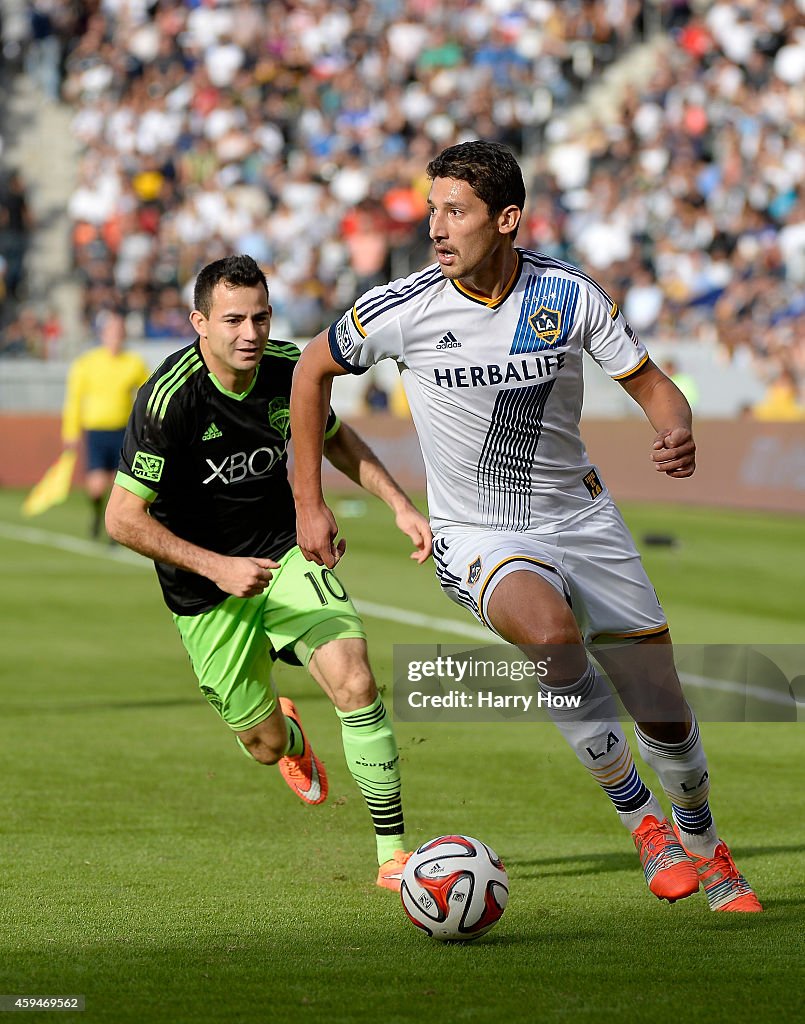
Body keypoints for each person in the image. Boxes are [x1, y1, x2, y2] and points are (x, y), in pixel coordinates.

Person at [290, 141, 761, 913]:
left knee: (664, 711)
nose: (437, 228)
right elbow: (311, 370)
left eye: (456, 212)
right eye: (433, 209)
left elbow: (650, 384)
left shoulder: (566, 294)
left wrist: (673, 428)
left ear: (506, 219)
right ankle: (641, 821)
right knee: (549, 636)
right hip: (478, 532)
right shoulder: (400, 306)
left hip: (582, 518)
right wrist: (308, 501)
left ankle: (706, 845)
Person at [105, 255, 432, 890]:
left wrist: (398, 504)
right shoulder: (167, 400)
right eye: (232, 320)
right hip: (203, 587)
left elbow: (336, 437)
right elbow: (123, 519)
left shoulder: (289, 370)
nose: (250, 333)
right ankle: (287, 735)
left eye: (260, 317)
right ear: (200, 323)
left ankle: (393, 855)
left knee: (356, 682)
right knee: (264, 745)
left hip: (284, 552)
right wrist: (215, 567)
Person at [61, 309, 151, 538]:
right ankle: (96, 515)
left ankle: (114, 529)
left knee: (118, 484)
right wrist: (70, 431)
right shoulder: (87, 363)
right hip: (96, 432)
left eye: (119, 332)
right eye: (111, 331)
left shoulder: (133, 362)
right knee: (96, 485)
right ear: (102, 334)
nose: (116, 336)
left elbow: (149, 394)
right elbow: (74, 400)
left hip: (123, 431)